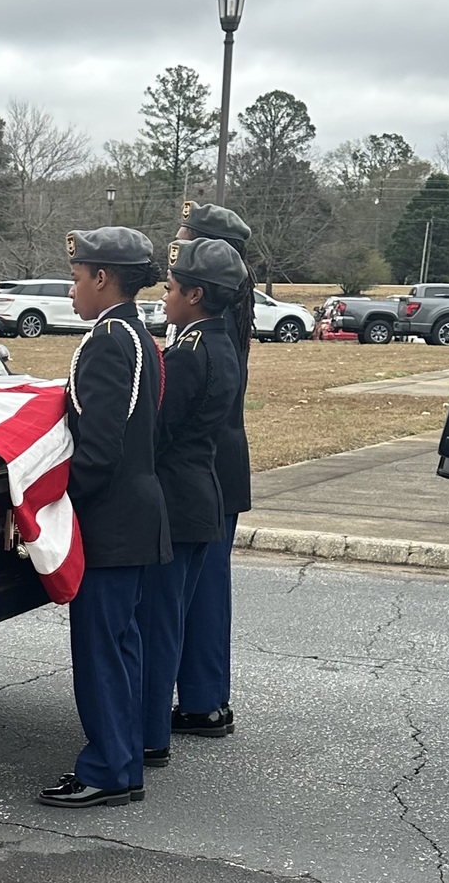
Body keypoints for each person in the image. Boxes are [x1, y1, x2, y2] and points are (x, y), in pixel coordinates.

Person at [37, 226, 171, 810]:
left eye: (76, 277)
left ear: (102, 278)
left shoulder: (109, 341)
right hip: (136, 513)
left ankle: (110, 769)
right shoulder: (136, 335)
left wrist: (60, 504)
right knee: (122, 644)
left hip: (112, 520)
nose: (71, 289)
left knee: (102, 651)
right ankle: (124, 754)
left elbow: (99, 447)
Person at [138, 238, 245, 769]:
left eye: (174, 286)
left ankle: (150, 734)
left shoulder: (186, 355)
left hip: (177, 505)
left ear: (197, 295)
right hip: (200, 498)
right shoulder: (221, 342)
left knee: (158, 622)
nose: (166, 292)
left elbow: (159, 432)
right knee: (171, 619)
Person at [171, 201, 255, 737]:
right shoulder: (225, 316)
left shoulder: (211, 326)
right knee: (207, 588)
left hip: (209, 466)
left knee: (201, 591)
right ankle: (208, 696)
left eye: (184, 241)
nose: (174, 249)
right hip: (221, 464)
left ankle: (202, 701)